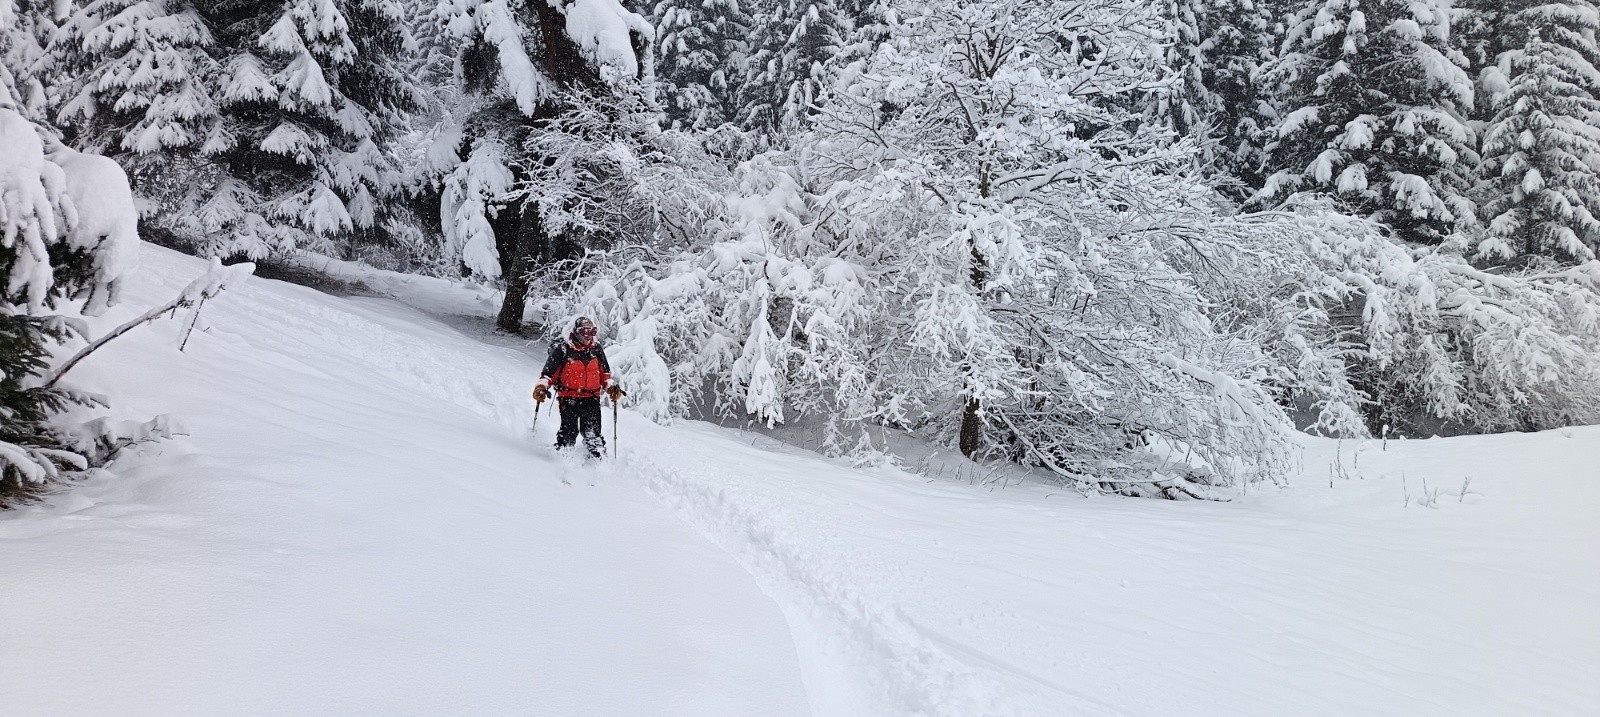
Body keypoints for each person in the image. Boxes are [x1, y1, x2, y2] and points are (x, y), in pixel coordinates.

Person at [532, 317, 625, 457]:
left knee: (593, 433)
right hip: (568, 398)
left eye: (591, 332)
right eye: (584, 331)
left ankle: (596, 464)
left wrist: (611, 388)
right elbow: (548, 374)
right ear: (576, 332)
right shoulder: (564, 349)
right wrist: (541, 387)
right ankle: (562, 460)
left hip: (591, 399)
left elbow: (605, 373)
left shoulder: (596, 349)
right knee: (569, 432)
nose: (588, 336)